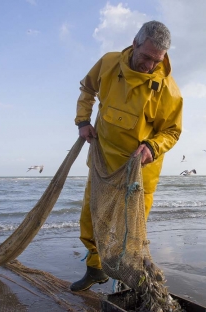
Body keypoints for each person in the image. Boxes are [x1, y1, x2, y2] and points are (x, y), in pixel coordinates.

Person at [70, 21, 183, 291]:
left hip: (139, 172)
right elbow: (88, 89)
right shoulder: (109, 63)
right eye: (145, 57)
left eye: (157, 60)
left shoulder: (167, 89)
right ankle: (95, 270)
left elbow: (172, 131)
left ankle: (129, 282)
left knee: (130, 234)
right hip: (104, 162)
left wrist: (152, 147)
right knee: (91, 218)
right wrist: (83, 121)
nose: (149, 66)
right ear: (134, 43)